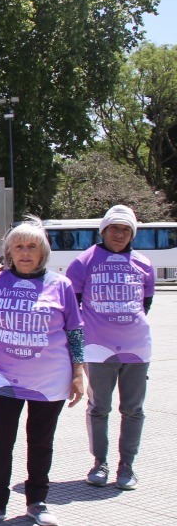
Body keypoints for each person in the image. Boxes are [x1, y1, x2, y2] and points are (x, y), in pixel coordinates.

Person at [0, 218, 86, 526]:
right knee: (0, 440)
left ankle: (37, 501)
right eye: (18, 247)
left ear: (43, 252)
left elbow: (75, 333)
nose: (25, 253)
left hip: (50, 378)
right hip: (5, 377)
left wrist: (78, 374)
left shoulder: (60, 286)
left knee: (40, 441)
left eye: (32, 247)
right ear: (8, 252)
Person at [66, 205, 154, 491]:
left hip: (137, 348)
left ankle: (127, 464)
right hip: (97, 349)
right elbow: (72, 308)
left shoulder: (144, 264)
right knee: (99, 407)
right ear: (103, 230)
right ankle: (99, 462)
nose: (120, 234)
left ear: (132, 234)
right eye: (114, 228)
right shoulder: (84, 262)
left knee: (133, 409)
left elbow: (145, 304)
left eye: (126, 230)